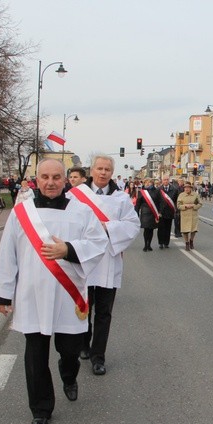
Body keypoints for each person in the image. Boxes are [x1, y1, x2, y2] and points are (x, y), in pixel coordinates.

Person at [0, 158, 107, 424]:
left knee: (69, 351)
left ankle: (69, 376)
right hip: (31, 296)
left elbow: (98, 243)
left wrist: (68, 249)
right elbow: (7, 253)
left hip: (68, 297)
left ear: (65, 180)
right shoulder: (21, 213)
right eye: (45, 177)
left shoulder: (81, 211)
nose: (51, 182)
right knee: (35, 355)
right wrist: (3, 294)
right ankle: (41, 408)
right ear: (37, 179)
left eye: (56, 177)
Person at [67, 154, 140, 375]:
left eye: (107, 169)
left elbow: (132, 225)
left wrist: (108, 227)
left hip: (109, 259)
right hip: (85, 259)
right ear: (92, 171)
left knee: (104, 312)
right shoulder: (76, 195)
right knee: (84, 307)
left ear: (111, 172)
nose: (103, 173)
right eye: (99, 168)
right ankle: (83, 344)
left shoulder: (121, 198)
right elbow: (67, 224)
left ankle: (99, 356)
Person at [135, 177, 161, 252]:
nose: (147, 184)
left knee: (151, 229)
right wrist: (136, 213)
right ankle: (145, 245)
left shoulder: (156, 191)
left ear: (152, 183)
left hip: (153, 212)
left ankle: (149, 244)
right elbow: (138, 204)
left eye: (149, 182)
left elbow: (159, 202)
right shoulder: (142, 192)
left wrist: (159, 212)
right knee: (146, 229)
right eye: (146, 182)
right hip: (145, 213)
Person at [177, 181, 202, 250]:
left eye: (188, 188)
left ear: (191, 188)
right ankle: (187, 243)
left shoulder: (195, 195)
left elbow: (200, 203)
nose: (186, 189)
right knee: (185, 230)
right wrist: (185, 206)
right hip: (185, 215)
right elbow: (178, 205)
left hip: (193, 215)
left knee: (193, 230)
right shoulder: (181, 195)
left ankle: (191, 240)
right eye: (185, 188)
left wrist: (194, 206)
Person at [156, 175, 178, 249]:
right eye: (164, 180)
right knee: (161, 228)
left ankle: (166, 243)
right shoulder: (159, 190)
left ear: (169, 180)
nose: (166, 181)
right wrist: (158, 212)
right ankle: (161, 243)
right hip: (161, 212)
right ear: (162, 181)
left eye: (167, 180)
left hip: (169, 212)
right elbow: (157, 202)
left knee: (168, 228)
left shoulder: (174, 189)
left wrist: (175, 210)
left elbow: (176, 201)